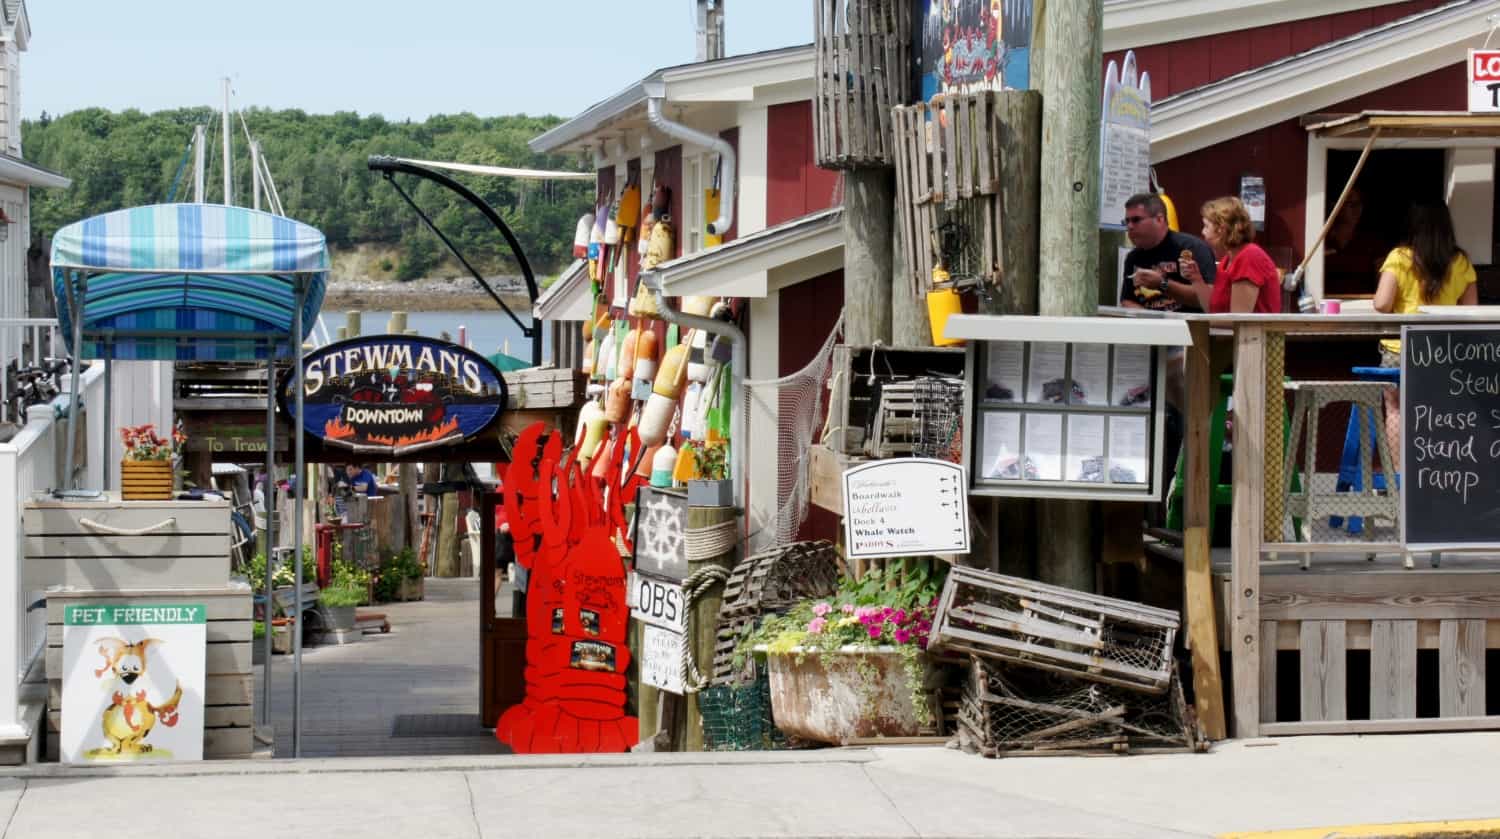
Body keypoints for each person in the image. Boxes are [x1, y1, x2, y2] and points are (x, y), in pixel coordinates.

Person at [1373, 201, 1477, 467]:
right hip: (1442, 353)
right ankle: (1432, 475)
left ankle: (1399, 475)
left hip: (1399, 349)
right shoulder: (1460, 261)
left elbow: (1382, 304)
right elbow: (1471, 310)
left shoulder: (1399, 257)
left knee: (1395, 410)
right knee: (1438, 412)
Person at [1180, 196, 1281, 314]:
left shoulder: (1249, 257)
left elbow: (1237, 319)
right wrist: (1196, 278)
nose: (1203, 232)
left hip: (1254, 333)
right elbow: (1212, 311)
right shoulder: (1227, 260)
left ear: (1221, 229)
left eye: (1206, 226)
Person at [1119, 193, 1217, 312]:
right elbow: (1127, 300)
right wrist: (1152, 321)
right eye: (1126, 221)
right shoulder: (1133, 257)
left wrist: (1163, 284)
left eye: (1136, 220)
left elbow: (1209, 300)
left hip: (1188, 327)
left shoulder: (1191, 248)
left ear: (1159, 219)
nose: (1130, 226)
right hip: (1151, 327)